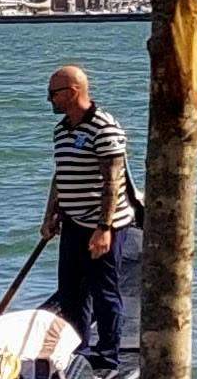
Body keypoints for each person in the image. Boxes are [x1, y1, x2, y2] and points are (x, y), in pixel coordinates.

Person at [41, 64, 136, 363]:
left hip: (103, 224)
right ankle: (77, 353)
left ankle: (108, 355)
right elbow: (61, 175)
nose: (49, 100)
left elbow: (113, 180)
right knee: (71, 294)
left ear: (72, 92)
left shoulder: (105, 128)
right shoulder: (61, 130)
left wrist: (104, 227)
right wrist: (50, 214)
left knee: (104, 292)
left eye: (53, 94)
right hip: (72, 222)